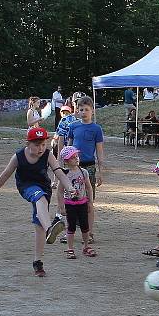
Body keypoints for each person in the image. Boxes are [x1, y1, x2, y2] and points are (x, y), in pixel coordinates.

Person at [0, 127, 73, 277]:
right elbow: (5, 175)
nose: (41, 148)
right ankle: (50, 228)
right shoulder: (18, 157)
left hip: (44, 187)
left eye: (43, 144)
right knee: (39, 198)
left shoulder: (48, 154)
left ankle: (38, 262)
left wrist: (69, 187)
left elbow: (58, 172)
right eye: (37, 145)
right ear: (28, 143)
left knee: (39, 219)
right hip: (26, 186)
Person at [66, 96, 105, 244]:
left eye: (87, 109)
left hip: (89, 168)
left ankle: (89, 232)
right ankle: (70, 232)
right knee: (71, 200)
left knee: (88, 201)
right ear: (77, 111)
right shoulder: (73, 127)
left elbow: (100, 151)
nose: (84, 112)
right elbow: (68, 148)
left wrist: (101, 171)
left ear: (92, 111)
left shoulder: (96, 129)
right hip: (73, 167)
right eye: (81, 109)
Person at [56, 146, 95, 259]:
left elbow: (88, 188)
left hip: (82, 203)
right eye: (73, 157)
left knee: (85, 226)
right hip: (70, 204)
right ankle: (70, 248)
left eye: (77, 156)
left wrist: (90, 202)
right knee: (71, 227)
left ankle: (86, 246)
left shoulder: (84, 172)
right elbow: (59, 192)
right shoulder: (64, 174)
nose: (76, 159)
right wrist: (61, 206)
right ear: (66, 161)